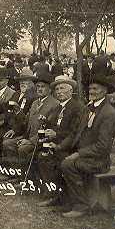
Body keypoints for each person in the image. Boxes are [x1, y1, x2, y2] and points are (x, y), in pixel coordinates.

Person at [60, 75, 115, 218]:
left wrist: (78, 153)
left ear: (104, 91)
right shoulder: (89, 108)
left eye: (95, 88)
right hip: (86, 155)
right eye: (90, 88)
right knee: (58, 155)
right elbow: (76, 132)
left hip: (98, 160)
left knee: (68, 164)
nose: (91, 91)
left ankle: (81, 206)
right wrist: (59, 146)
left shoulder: (109, 113)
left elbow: (103, 146)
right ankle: (64, 199)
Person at [36, 75, 84, 207]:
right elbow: (51, 125)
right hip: (55, 143)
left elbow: (75, 132)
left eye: (62, 88)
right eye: (56, 89)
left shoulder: (77, 107)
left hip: (70, 147)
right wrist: (45, 127)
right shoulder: (57, 108)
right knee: (42, 154)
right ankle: (52, 192)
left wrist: (56, 135)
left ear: (70, 90)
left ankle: (56, 196)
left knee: (48, 158)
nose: (59, 91)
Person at [1, 72, 58, 166]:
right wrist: (16, 128)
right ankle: (14, 171)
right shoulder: (35, 102)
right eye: (38, 86)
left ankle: (23, 176)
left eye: (43, 87)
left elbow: (49, 129)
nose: (39, 89)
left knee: (23, 149)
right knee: (7, 143)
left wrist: (30, 141)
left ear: (50, 89)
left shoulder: (54, 104)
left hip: (41, 140)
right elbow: (25, 121)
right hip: (27, 136)